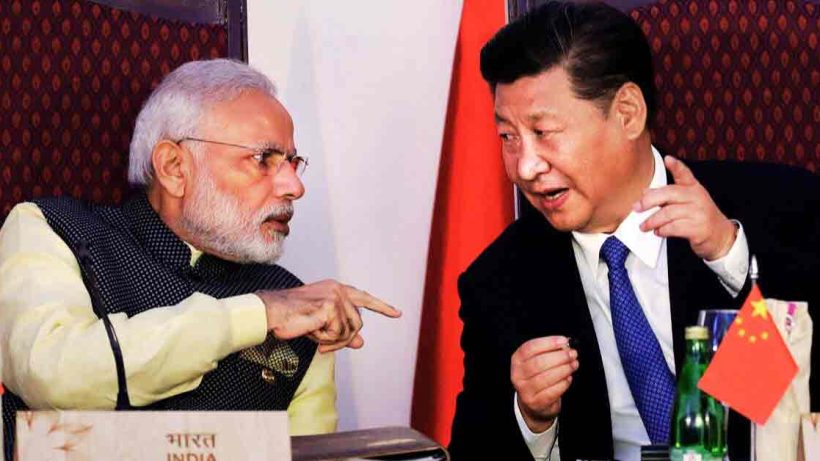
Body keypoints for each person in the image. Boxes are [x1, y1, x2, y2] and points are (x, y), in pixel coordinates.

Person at [448, 2, 819, 460]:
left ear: (627, 113)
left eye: (544, 131)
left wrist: (731, 256)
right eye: (508, 137)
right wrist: (532, 418)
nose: (525, 166)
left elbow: (794, 394)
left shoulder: (779, 208)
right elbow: (472, 453)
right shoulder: (499, 281)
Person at [0, 59, 401, 459]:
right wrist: (256, 315)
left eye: (293, 163)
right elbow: (55, 376)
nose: (294, 186)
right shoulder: (52, 228)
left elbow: (308, 454)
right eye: (264, 159)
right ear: (175, 168)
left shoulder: (297, 304)